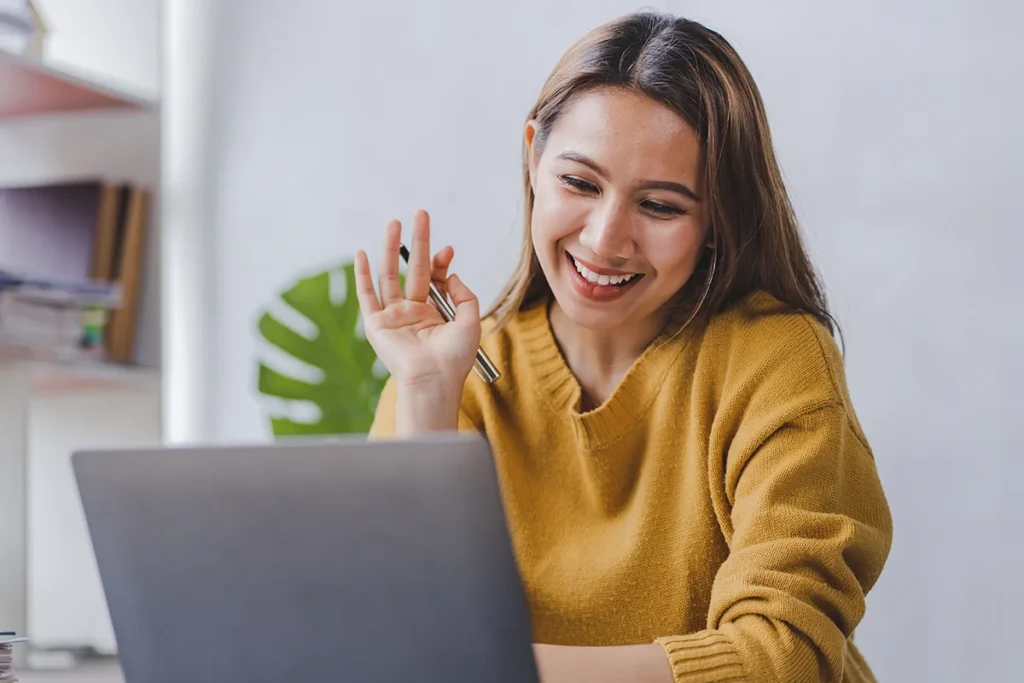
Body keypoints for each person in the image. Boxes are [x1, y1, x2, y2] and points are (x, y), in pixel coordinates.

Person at [355, 10, 893, 683]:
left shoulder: (775, 358)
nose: (607, 239)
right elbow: (397, 642)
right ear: (534, 159)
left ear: (718, 217)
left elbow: (783, 657)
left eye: (661, 206)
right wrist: (429, 397)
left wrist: (500, 670)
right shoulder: (456, 369)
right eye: (580, 183)